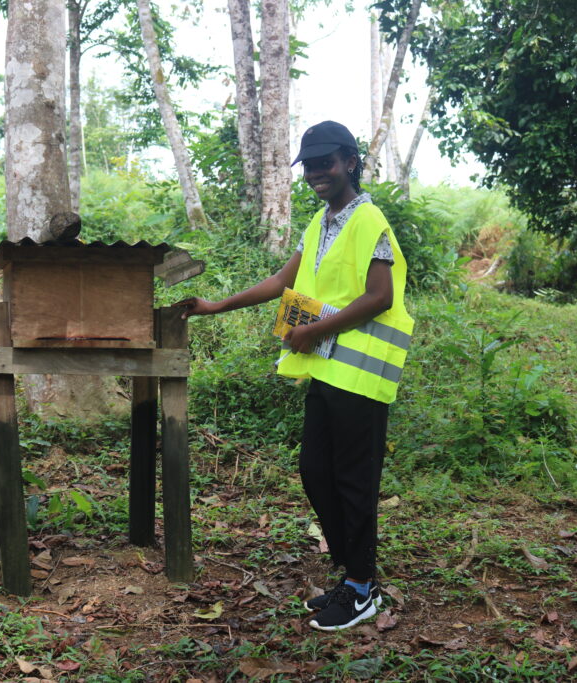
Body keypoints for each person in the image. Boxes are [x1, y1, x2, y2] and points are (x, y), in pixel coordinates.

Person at [176, 121, 414, 631]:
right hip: (328, 371)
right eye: (308, 165)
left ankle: (361, 588)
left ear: (350, 162)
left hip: (362, 378)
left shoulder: (369, 221)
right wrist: (216, 305)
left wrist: (313, 330)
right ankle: (352, 575)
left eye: (325, 162)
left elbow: (380, 297)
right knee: (315, 471)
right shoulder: (320, 223)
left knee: (354, 482)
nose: (315, 174)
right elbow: (284, 281)